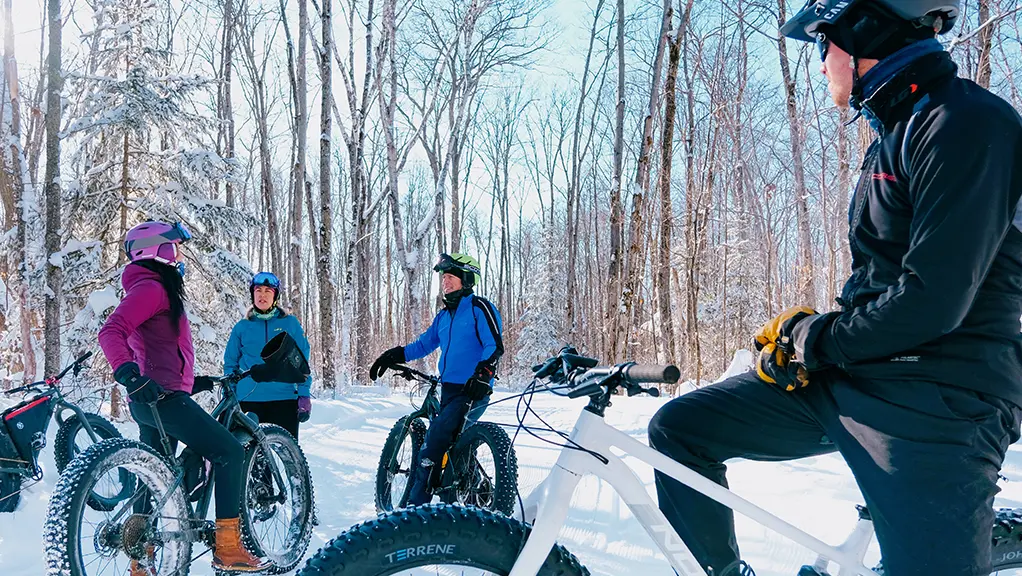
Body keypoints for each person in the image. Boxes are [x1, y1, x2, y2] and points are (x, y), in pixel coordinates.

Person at [647, 1, 1022, 575]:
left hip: (938, 402)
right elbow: (885, 284)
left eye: (824, 45)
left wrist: (813, 339)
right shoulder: (900, 127)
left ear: (865, 31)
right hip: (866, 375)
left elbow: (934, 299)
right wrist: (809, 343)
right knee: (680, 430)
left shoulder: (964, 122)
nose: (820, 65)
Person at [98, 221, 269, 574]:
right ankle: (227, 546)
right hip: (160, 401)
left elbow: (158, 352)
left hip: (155, 399)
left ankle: (139, 559)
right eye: (173, 248)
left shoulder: (152, 289)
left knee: (155, 474)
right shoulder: (152, 288)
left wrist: (192, 382)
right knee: (229, 451)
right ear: (155, 250)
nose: (178, 256)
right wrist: (129, 375)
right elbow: (112, 331)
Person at [369, 252, 504, 506]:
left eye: (451, 276)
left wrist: (483, 374)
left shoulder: (479, 308)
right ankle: (470, 487)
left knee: (434, 441)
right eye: (444, 277)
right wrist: (394, 354)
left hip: (472, 388)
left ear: (467, 278)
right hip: (448, 389)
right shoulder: (443, 317)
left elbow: (494, 345)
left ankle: (414, 510)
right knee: (450, 441)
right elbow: (424, 345)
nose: (445, 281)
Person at [224, 271, 313, 439]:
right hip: (248, 400)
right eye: (258, 291)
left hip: (285, 400)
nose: (262, 295)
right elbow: (230, 363)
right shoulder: (242, 327)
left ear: (275, 296)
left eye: (268, 291)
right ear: (252, 294)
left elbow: (303, 361)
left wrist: (304, 394)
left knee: (286, 456)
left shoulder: (290, 323)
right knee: (249, 458)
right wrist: (230, 396)